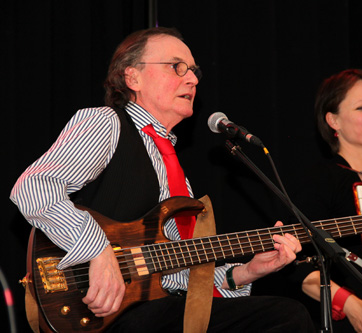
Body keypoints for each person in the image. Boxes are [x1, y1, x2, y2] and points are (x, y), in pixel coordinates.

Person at [10, 27, 315, 332]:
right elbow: (34, 188)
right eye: (176, 67)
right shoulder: (106, 123)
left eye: (193, 70)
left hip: (159, 310)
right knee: (286, 316)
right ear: (133, 78)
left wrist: (247, 272)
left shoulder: (172, 167)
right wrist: (99, 251)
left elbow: (177, 275)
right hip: (107, 312)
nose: (193, 78)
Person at [259, 69, 362, 332]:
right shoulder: (323, 180)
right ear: (333, 120)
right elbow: (295, 263)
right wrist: (350, 304)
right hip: (358, 320)